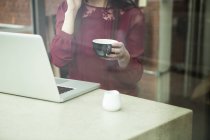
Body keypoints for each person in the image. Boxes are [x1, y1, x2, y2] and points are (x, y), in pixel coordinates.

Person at [50, 0, 145, 96]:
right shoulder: (68, 7)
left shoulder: (131, 14)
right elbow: (59, 60)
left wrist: (124, 57)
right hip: (79, 96)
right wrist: (71, 11)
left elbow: (135, 77)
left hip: (115, 98)